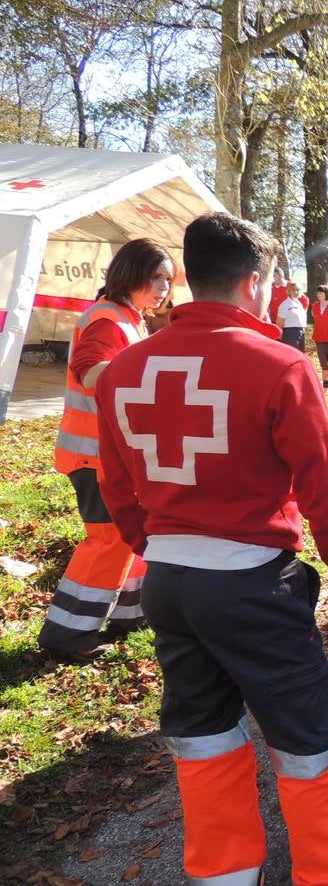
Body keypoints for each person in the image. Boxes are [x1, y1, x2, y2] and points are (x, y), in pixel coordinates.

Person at [93, 211, 328, 885]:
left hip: (169, 582)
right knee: (305, 742)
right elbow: (325, 485)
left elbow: (116, 486)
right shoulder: (282, 366)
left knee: (202, 733)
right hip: (251, 584)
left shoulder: (124, 369)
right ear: (254, 282)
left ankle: (225, 875)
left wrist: (155, 546)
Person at [38, 238, 173, 661]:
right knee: (109, 539)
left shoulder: (128, 318)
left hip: (110, 455)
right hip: (93, 457)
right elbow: (90, 370)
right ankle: (68, 633)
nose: (163, 287)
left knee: (130, 535)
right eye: (155, 276)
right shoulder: (106, 319)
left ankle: (128, 613)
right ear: (129, 273)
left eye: (168, 278)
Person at [275, 280, 308, 352]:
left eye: (298, 290)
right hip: (290, 334)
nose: (296, 292)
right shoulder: (284, 305)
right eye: (293, 290)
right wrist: (280, 338)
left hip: (301, 332)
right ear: (288, 291)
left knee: (300, 354)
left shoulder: (299, 304)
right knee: (293, 354)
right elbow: (279, 323)